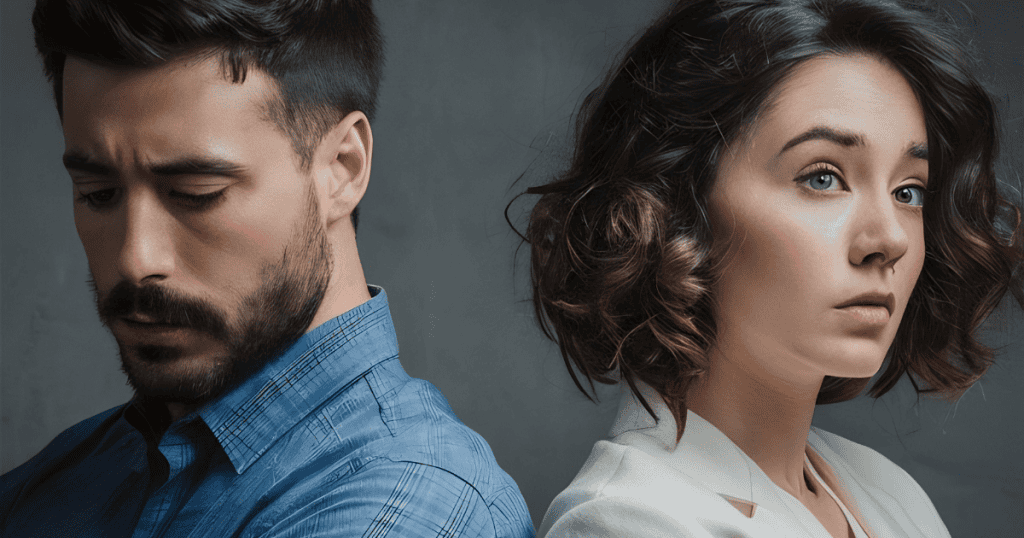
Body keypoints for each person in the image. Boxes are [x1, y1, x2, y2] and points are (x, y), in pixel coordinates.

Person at [0, 1, 534, 536]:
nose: (135, 259)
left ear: (342, 169)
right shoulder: (63, 478)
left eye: (196, 195)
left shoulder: (410, 507)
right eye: (98, 194)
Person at [518, 0, 1023, 536]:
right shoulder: (627, 519)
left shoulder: (890, 493)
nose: (890, 239)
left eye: (909, 190)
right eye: (822, 177)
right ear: (678, 209)